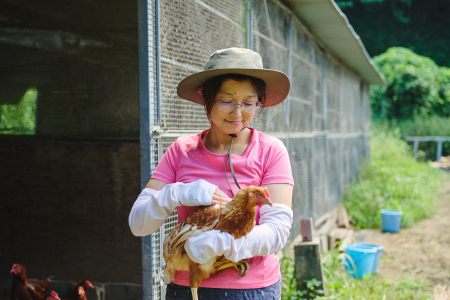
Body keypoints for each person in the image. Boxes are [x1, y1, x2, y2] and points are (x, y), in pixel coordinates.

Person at [129, 47, 294, 300]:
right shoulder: (181, 150)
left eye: (249, 103)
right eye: (226, 101)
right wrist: (175, 193)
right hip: (188, 288)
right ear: (205, 96)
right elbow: (138, 224)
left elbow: (278, 231)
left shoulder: (271, 151)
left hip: (253, 290)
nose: (237, 113)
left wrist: (221, 243)